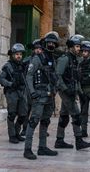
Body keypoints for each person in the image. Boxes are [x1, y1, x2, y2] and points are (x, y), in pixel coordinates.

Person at [23, 32, 59, 160]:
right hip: (39, 95)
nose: (51, 45)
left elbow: (54, 77)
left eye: (53, 43)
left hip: (49, 95)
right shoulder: (38, 58)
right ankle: (27, 149)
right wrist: (32, 92)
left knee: (45, 121)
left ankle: (42, 147)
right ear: (45, 44)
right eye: (49, 43)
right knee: (33, 121)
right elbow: (29, 76)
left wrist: (55, 88)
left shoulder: (52, 59)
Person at [54, 34, 90, 150]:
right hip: (65, 91)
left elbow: (75, 78)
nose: (79, 49)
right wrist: (66, 89)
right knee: (76, 115)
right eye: (77, 46)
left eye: (79, 47)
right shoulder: (64, 59)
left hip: (71, 90)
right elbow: (57, 76)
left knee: (64, 116)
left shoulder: (75, 60)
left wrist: (80, 92)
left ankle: (59, 140)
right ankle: (79, 141)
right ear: (71, 47)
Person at [0, 43, 28, 144]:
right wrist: (10, 84)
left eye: (20, 54)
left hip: (21, 92)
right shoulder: (8, 66)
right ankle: (12, 135)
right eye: (16, 54)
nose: (19, 56)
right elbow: (1, 79)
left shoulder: (23, 65)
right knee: (12, 114)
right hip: (12, 93)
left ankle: (17, 133)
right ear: (12, 55)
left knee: (23, 114)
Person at [21, 39, 43, 137]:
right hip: (29, 89)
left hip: (40, 88)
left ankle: (43, 130)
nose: (38, 50)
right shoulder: (26, 60)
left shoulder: (44, 60)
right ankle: (25, 129)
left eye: (40, 48)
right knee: (27, 109)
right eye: (36, 48)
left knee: (41, 110)